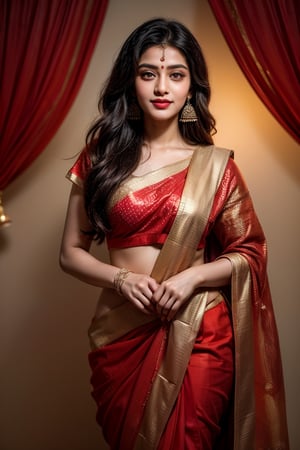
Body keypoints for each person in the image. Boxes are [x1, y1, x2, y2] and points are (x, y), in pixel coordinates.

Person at [60, 18, 289, 450]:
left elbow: (251, 252)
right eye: (149, 74)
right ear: (132, 82)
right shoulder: (101, 158)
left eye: (176, 75)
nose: (162, 87)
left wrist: (190, 279)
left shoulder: (216, 166)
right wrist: (122, 279)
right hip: (121, 332)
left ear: (190, 88)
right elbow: (70, 252)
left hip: (200, 327)